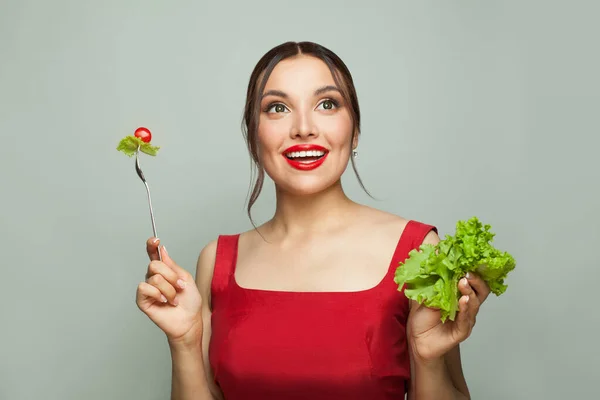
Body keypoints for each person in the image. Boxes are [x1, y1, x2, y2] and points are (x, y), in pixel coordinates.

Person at [135, 41, 490, 400]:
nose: (304, 128)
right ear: (254, 138)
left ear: (355, 131)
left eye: (327, 104)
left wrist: (426, 359)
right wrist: (184, 342)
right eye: (277, 108)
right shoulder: (217, 260)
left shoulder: (418, 251)